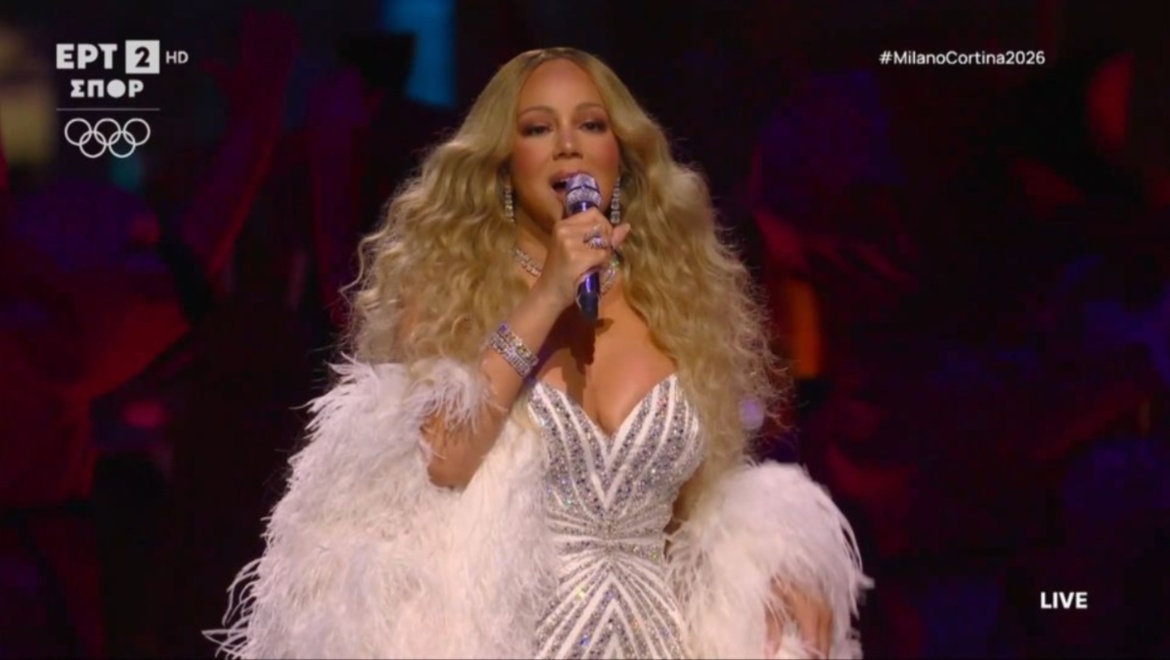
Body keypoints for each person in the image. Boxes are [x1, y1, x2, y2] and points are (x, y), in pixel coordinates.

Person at [207, 47, 869, 659]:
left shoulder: (677, 304)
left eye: (591, 125)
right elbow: (442, 458)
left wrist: (769, 567)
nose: (568, 145)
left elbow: (698, 510)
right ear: (504, 160)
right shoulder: (447, 297)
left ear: (620, 154)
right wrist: (549, 293)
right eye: (537, 128)